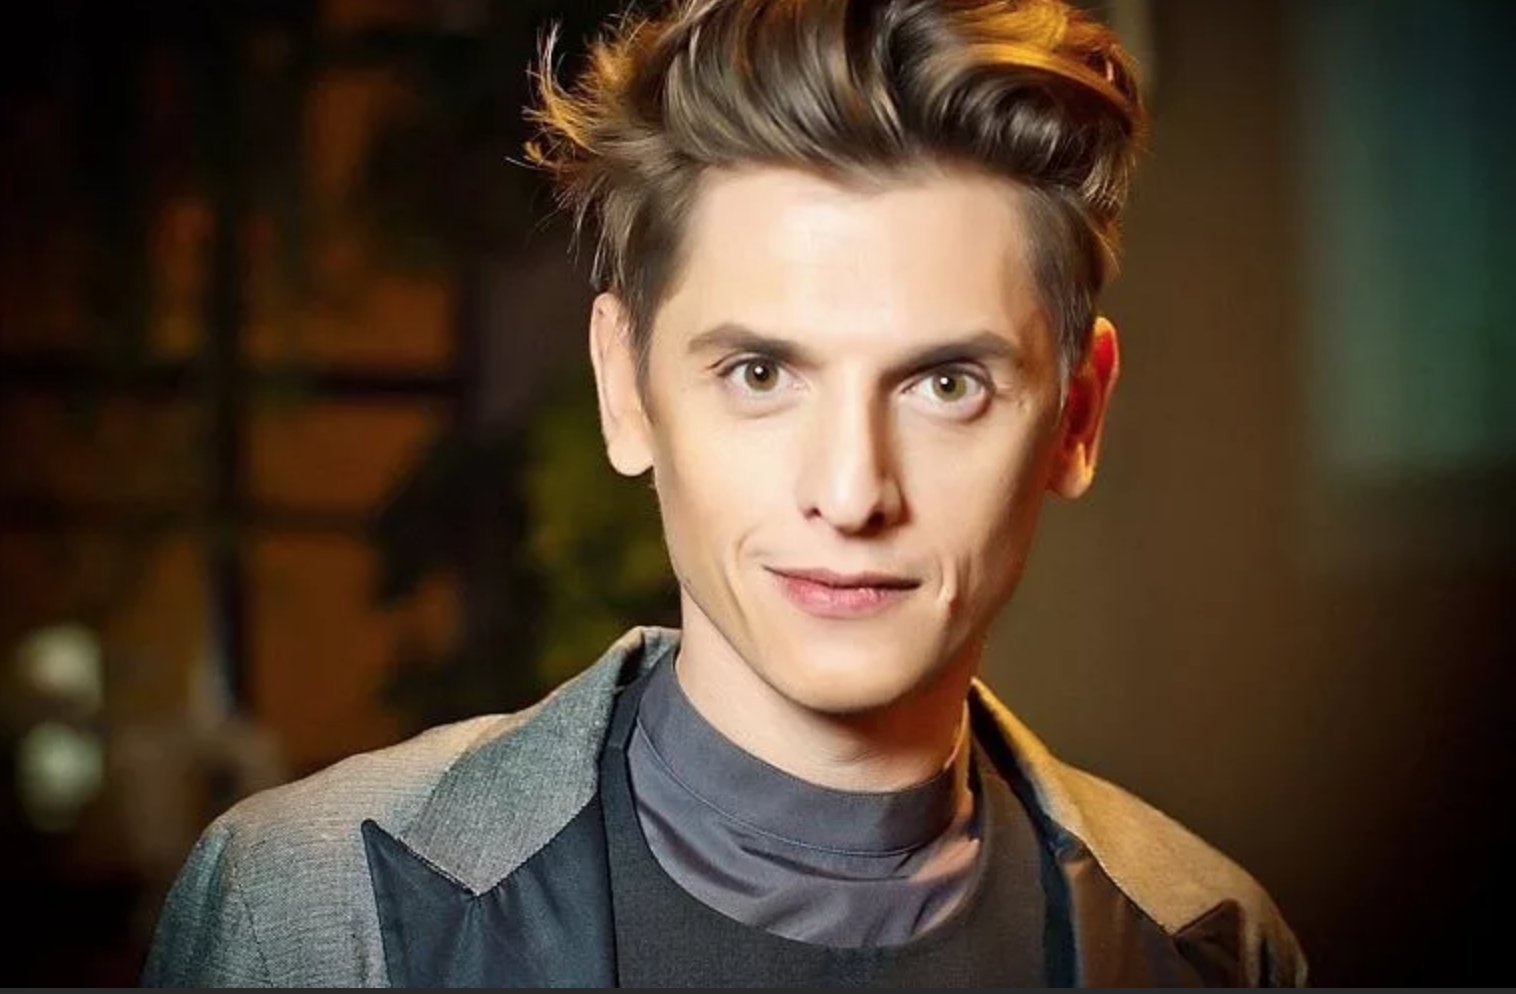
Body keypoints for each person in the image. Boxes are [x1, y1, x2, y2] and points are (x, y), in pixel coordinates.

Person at [143, 0, 1308, 986]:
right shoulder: (310, 914)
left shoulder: (1213, 947)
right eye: (759, 373)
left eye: (945, 383)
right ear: (625, 390)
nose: (850, 491)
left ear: (1076, 415)